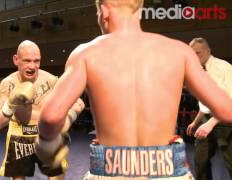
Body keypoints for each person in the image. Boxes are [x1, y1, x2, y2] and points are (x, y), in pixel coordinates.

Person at [34, 0, 232, 179]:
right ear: (139, 9)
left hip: (111, 169)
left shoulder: (86, 53)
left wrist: (47, 146)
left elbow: (51, 116)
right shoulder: (179, 51)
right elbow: (227, 111)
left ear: (103, 11)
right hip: (166, 168)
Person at [0, 40, 84, 180]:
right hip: (19, 137)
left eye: (37, 61)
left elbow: (78, 103)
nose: (32, 66)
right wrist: (11, 104)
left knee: (56, 177)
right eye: (27, 61)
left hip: (47, 136)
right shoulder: (8, 84)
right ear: (16, 60)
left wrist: (66, 119)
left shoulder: (51, 80)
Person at [186, 37, 232, 180]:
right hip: (205, 120)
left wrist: (211, 123)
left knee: (230, 162)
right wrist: (196, 122)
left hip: (224, 120)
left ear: (208, 51)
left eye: (198, 53)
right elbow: (206, 103)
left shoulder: (223, 67)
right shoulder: (198, 71)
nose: (195, 57)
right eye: (192, 54)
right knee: (200, 162)